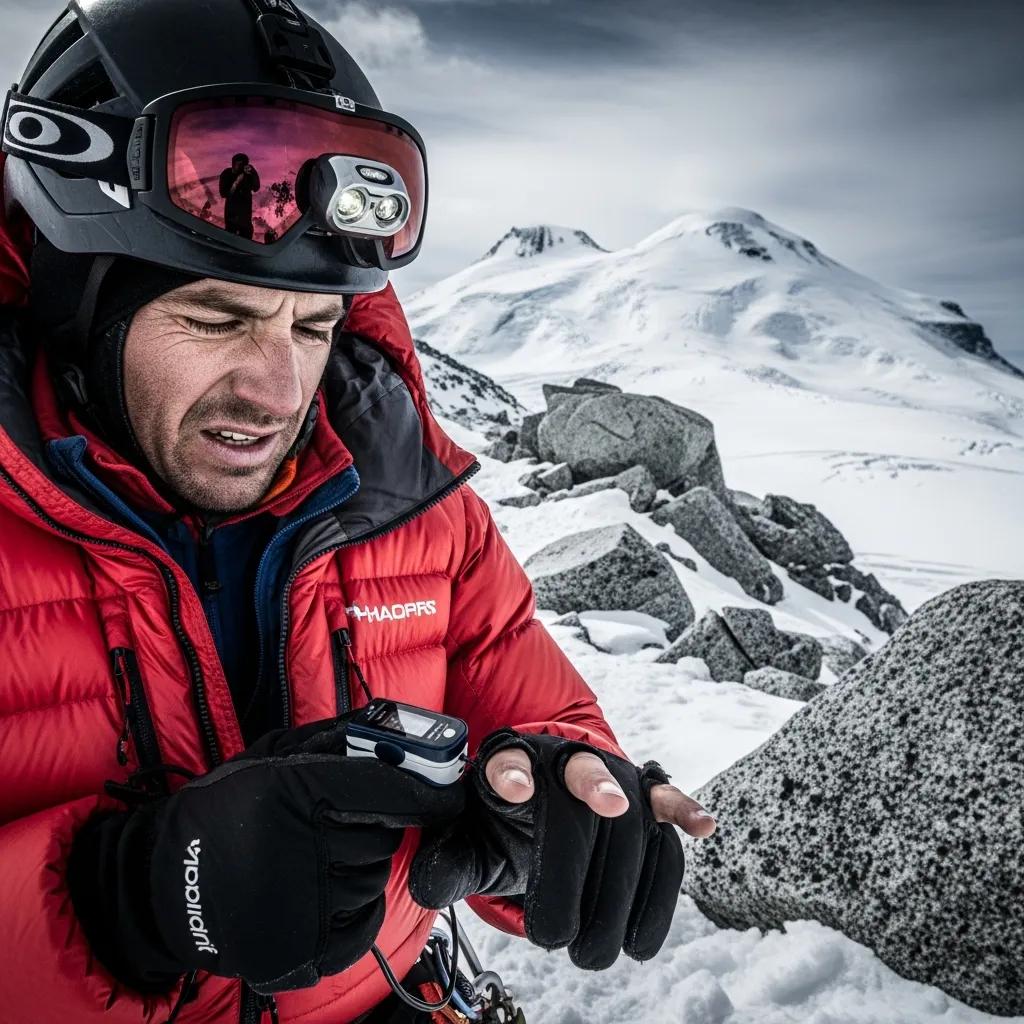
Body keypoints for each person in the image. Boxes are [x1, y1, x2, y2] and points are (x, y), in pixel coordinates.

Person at [0, 2, 716, 1022]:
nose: (278, 392)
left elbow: (538, 715)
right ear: (73, 303)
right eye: (217, 317)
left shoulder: (408, 507)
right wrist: (128, 900)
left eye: (314, 325)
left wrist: (549, 805)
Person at [219, 153, 261, 239]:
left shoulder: (247, 175)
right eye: (238, 164)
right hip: (232, 217)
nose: (240, 167)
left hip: (245, 218)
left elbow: (256, 187)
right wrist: (236, 182)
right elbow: (224, 193)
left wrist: (253, 172)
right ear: (233, 164)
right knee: (230, 238)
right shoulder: (227, 174)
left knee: (246, 236)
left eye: (243, 164)